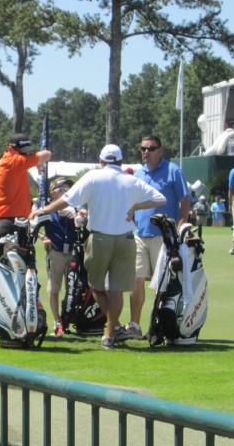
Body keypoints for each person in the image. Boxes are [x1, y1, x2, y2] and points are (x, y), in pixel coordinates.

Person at [29, 144, 165, 350]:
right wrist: (136, 206)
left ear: (101, 161)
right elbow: (159, 198)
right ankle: (113, 331)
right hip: (126, 240)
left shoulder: (93, 176)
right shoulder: (131, 179)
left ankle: (111, 331)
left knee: (95, 286)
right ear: (120, 161)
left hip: (100, 239)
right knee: (117, 289)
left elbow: (66, 200)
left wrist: (43, 210)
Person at [127, 136, 190, 339]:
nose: (146, 152)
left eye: (151, 148)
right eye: (143, 148)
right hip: (140, 235)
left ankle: (157, 325)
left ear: (160, 151)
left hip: (164, 238)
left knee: (161, 286)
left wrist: (181, 223)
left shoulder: (173, 171)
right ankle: (135, 326)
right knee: (136, 281)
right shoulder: (138, 173)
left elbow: (185, 199)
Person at [0, 133, 52, 256]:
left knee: (6, 269)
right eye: (23, 152)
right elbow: (47, 154)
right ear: (10, 149)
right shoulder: (17, 162)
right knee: (22, 267)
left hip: (1, 224)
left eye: (28, 152)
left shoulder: (0, 164)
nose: (26, 155)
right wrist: (36, 162)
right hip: (16, 224)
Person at [41, 178, 78, 337]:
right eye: (61, 189)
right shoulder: (47, 209)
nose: (65, 191)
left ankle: (67, 319)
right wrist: (44, 237)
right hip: (55, 252)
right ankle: (57, 321)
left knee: (72, 290)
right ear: (52, 192)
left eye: (67, 189)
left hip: (72, 252)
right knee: (54, 289)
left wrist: (76, 214)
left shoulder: (74, 207)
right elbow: (34, 224)